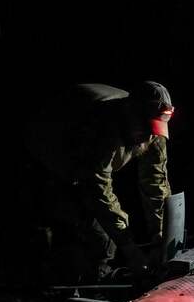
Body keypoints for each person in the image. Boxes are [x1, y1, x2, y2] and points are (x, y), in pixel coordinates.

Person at [26, 81, 174, 282]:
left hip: (90, 159)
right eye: (145, 128)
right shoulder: (102, 127)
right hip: (53, 149)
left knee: (103, 230)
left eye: (154, 129)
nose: (148, 136)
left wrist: (160, 236)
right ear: (130, 113)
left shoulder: (153, 130)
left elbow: (156, 181)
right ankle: (66, 289)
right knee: (95, 237)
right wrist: (129, 247)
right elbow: (97, 188)